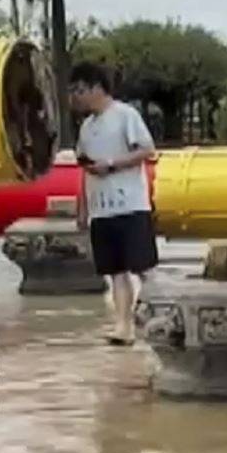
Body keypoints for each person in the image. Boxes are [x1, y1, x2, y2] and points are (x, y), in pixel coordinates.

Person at [70, 60, 158, 344]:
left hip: (131, 204)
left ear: (97, 88)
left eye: (80, 90)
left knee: (144, 267)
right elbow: (84, 168)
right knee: (115, 271)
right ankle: (124, 327)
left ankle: (161, 317)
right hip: (101, 210)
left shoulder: (125, 115)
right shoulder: (86, 127)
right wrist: (82, 209)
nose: (76, 97)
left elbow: (147, 150)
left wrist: (112, 164)